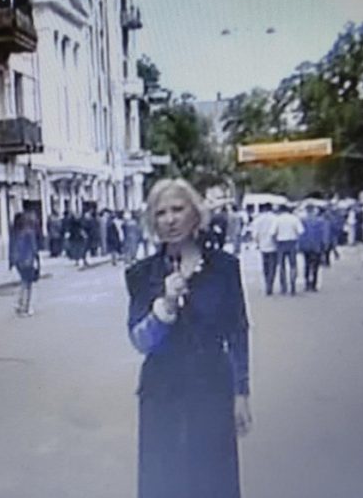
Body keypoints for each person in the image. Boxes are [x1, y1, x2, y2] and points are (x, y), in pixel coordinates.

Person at [126, 178, 250, 498]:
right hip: (161, 391)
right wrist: (165, 306)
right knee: (163, 477)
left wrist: (241, 392)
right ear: (152, 222)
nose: (170, 219)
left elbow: (237, 330)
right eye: (161, 213)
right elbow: (139, 340)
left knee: (212, 478)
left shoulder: (225, 267)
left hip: (211, 385)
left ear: (195, 214)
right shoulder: (141, 274)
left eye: (177, 209)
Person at [9, 212, 40, 316]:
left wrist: (11, 261)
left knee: (23, 282)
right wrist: (37, 259)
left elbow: (11, 247)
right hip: (28, 260)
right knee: (28, 285)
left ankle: (19, 303)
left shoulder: (15, 232)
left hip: (18, 261)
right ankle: (26, 307)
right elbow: (34, 248)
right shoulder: (29, 232)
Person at [271, 204, 304, 295]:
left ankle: (283, 287)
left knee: (282, 266)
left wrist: (275, 243)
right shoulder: (294, 219)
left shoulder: (277, 219)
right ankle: (293, 285)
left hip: (281, 243)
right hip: (292, 242)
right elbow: (301, 231)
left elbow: (272, 233)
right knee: (293, 265)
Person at [252, 203, 278, 295]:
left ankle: (267, 282)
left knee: (265, 266)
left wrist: (257, 243)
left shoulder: (258, 219)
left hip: (263, 246)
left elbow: (254, 234)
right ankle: (270, 284)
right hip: (274, 246)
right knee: (272, 267)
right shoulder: (275, 218)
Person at [299, 204, 325, 291]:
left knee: (306, 265)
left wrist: (300, 246)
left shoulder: (303, 221)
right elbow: (322, 234)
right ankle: (314, 284)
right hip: (317, 246)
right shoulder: (320, 221)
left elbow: (301, 235)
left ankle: (307, 284)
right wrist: (323, 245)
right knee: (316, 266)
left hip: (306, 246)